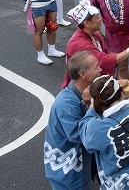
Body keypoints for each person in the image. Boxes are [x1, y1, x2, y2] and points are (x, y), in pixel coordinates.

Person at [44, 51, 102, 190]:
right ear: (83, 74)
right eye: (96, 67)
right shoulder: (66, 104)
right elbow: (80, 135)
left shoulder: (81, 94)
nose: (100, 69)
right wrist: (92, 106)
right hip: (68, 170)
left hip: (76, 164)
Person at [63, 0, 129, 88]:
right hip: (82, 89)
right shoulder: (80, 44)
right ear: (87, 23)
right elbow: (103, 61)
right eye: (97, 17)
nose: (100, 19)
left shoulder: (94, 35)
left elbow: (104, 60)